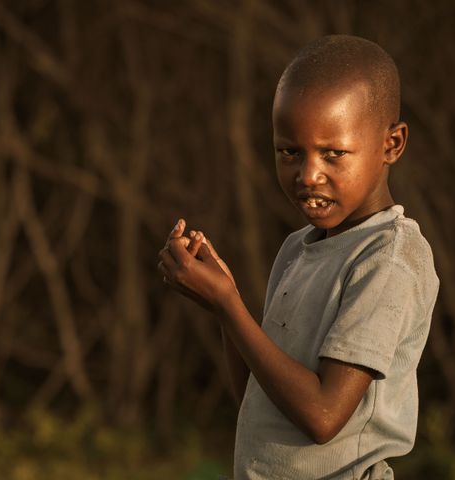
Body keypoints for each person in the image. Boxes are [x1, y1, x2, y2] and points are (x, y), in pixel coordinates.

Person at [158, 34, 439, 480]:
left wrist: (229, 303)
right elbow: (257, 398)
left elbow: (323, 417)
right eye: (290, 151)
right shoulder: (297, 249)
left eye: (334, 154)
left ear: (392, 144)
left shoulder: (389, 258)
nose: (309, 175)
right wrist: (223, 306)